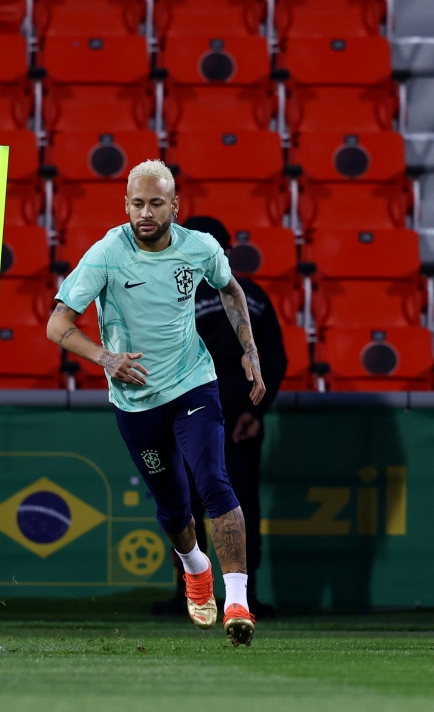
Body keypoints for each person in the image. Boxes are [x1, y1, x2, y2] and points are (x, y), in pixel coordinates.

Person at [47, 160, 266, 647]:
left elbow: (231, 289)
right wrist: (106, 357)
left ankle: (237, 601)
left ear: (175, 206)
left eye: (155, 204)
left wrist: (249, 349)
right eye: (136, 204)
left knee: (213, 478)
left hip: (193, 382)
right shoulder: (107, 253)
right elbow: (57, 325)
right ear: (125, 204)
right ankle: (194, 567)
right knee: (172, 508)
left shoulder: (200, 248)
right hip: (135, 399)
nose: (145, 213)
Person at [186, 215, 286, 617]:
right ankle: (243, 594)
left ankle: (195, 597)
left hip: (195, 409)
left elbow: (274, 359)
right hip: (233, 408)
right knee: (235, 503)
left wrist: (254, 411)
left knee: (192, 503)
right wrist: (256, 411)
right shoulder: (252, 294)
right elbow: (274, 359)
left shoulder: (178, 296)